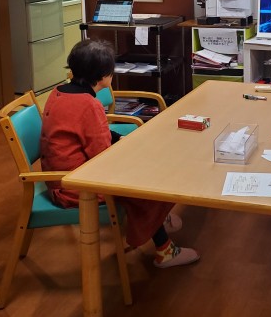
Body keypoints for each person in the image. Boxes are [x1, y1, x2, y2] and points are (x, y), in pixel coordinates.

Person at [40, 38, 199, 268]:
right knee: (148, 181)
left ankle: (158, 220)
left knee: (144, 167)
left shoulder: (58, 93)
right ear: (103, 76)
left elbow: (88, 133)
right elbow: (102, 155)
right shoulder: (88, 105)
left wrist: (119, 139)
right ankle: (165, 251)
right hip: (76, 186)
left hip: (62, 178)